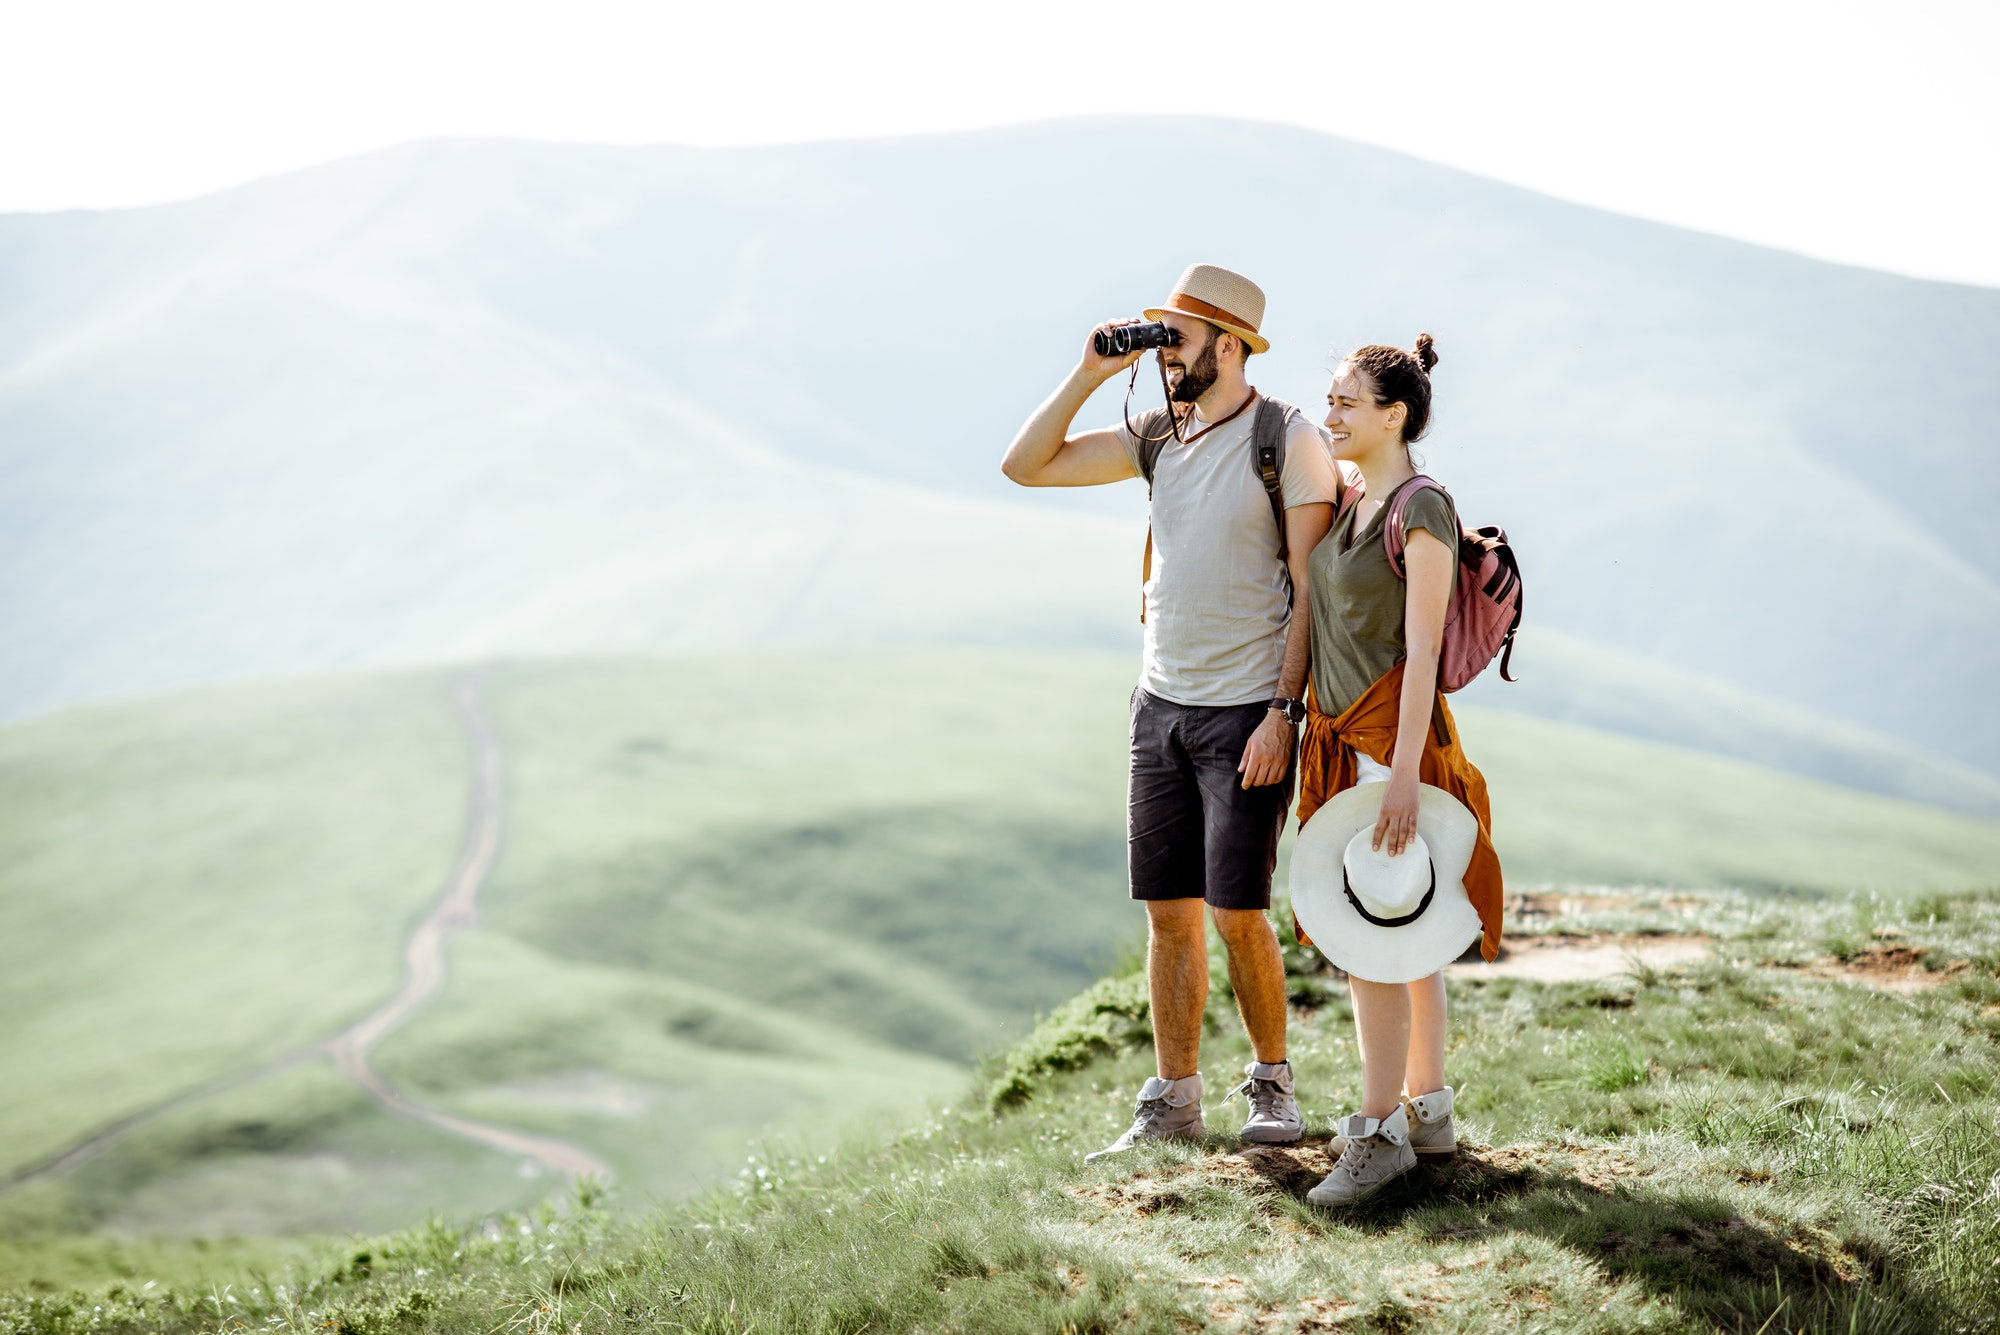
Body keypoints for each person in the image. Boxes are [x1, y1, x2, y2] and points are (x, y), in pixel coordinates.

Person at [1001, 264, 1344, 1160]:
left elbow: (1309, 592)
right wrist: (1088, 372)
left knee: (1238, 911)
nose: (1164, 355)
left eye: (1178, 338)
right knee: (1167, 913)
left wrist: (1283, 711)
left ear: (1230, 347)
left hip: (1245, 711)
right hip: (1159, 706)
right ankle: (1176, 1101)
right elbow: (1025, 466)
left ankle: (1273, 1085)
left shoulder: (1287, 440)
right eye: (1159, 337)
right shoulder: (1158, 432)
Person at [1290, 334, 1505, 1206]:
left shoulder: (1419, 509)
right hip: (1351, 745)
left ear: (1395, 414)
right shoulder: (1353, 499)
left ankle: (1377, 1135)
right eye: (1331, 399)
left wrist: (1408, 773)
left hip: (1389, 748)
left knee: (1372, 938)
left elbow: (1420, 652)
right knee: (1402, 931)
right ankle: (1429, 1112)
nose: (1331, 412)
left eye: (1346, 401)